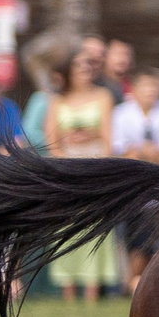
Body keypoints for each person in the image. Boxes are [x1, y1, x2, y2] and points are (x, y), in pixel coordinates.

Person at [45, 51, 117, 302]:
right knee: (68, 228)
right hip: (66, 169)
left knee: (95, 226)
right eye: (78, 65)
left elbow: (109, 136)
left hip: (95, 164)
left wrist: (100, 166)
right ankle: (67, 290)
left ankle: (92, 290)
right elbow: (51, 140)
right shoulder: (57, 100)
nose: (85, 69)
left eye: (88, 65)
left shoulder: (103, 96)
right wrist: (66, 159)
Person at [111, 66, 159, 154]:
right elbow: (118, 145)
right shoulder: (120, 112)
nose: (151, 90)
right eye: (146, 85)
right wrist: (139, 150)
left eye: (155, 85)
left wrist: (156, 149)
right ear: (134, 88)